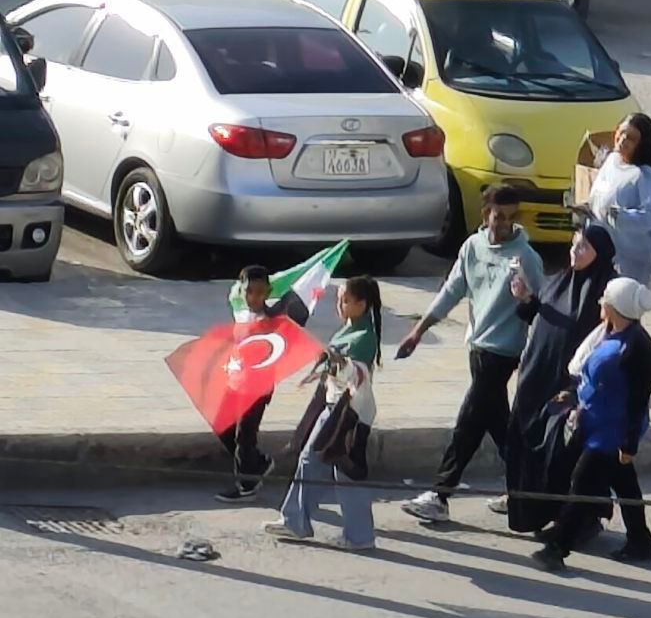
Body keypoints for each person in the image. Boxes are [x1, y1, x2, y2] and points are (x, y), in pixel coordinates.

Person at [396, 185, 544, 523]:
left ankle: (439, 493)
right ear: (485, 214)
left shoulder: (527, 258)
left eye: (511, 217)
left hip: (503, 353)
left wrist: (525, 303)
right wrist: (419, 330)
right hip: (476, 348)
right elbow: (451, 291)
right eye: (498, 216)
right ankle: (529, 487)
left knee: (467, 423)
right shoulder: (472, 248)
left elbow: (542, 308)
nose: (504, 224)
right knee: (496, 426)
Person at [532, 277, 651, 572]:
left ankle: (557, 548)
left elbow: (638, 401)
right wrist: (575, 394)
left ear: (615, 307)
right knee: (625, 484)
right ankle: (641, 541)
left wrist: (628, 443)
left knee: (582, 483)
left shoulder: (639, 349)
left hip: (611, 432)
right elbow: (594, 377)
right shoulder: (610, 334)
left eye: (604, 299)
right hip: (595, 422)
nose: (600, 303)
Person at [506, 224, 618, 535]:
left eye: (583, 247)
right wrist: (526, 298)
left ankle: (579, 521)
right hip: (536, 379)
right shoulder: (559, 282)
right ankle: (532, 512)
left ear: (600, 253)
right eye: (573, 244)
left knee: (563, 453)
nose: (574, 251)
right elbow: (540, 314)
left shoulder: (607, 291)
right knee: (527, 442)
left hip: (570, 387)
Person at [264, 276, 383, 550]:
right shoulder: (349, 329)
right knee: (321, 463)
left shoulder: (364, 337)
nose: (338, 305)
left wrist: (339, 362)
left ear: (361, 304)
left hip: (347, 412)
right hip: (334, 406)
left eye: (344, 300)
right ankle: (301, 522)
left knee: (335, 468)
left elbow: (358, 373)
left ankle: (354, 535)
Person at [215, 265, 277, 503]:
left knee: (245, 435)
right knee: (223, 424)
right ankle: (258, 463)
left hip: (257, 387)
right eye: (250, 291)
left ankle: (246, 484)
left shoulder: (270, 320)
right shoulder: (240, 312)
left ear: (268, 292)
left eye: (261, 292)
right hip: (236, 380)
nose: (255, 297)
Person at [588, 113, 651, 285]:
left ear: (642, 143)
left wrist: (621, 217)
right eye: (620, 133)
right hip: (600, 250)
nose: (622, 140)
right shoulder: (611, 160)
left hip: (629, 261)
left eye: (630, 138)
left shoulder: (645, 175)